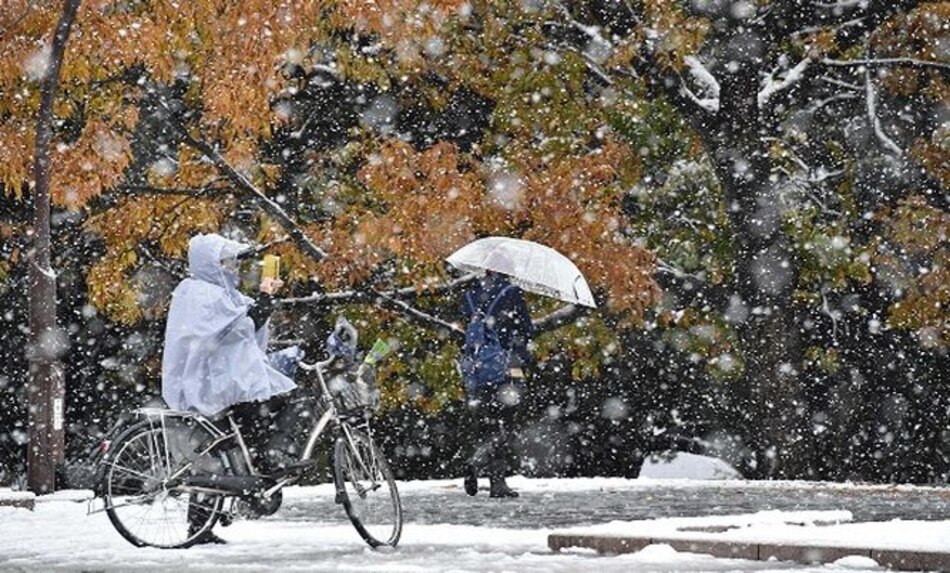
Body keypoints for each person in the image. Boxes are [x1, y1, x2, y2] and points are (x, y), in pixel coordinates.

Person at [162, 233, 301, 543]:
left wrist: (264, 300)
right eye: (225, 262)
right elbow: (237, 327)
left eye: (233, 262)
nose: (232, 268)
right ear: (209, 263)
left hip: (220, 377)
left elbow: (245, 325)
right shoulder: (199, 294)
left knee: (218, 452)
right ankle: (256, 476)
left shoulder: (220, 294)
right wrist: (264, 300)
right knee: (259, 414)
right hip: (207, 381)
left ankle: (206, 522)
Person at [460, 270, 534, 498]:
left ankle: (487, 473)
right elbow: (526, 330)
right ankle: (490, 473)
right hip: (506, 367)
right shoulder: (511, 292)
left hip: (476, 370)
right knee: (508, 423)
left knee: (488, 423)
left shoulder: (470, 295)